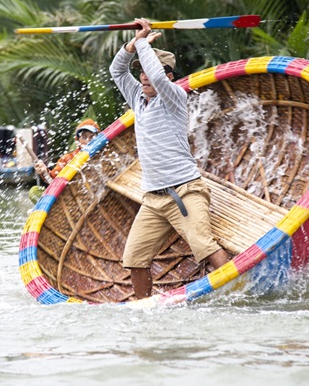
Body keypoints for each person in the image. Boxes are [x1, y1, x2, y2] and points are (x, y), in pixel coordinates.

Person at [109, 18, 230, 299]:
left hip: (186, 191)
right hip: (153, 198)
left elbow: (158, 77)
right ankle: (144, 307)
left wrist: (143, 43)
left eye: (152, 73)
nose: (145, 78)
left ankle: (237, 294)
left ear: (170, 76)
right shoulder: (138, 99)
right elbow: (117, 70)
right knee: (135, 257)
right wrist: (132, 44)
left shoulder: (174, 96)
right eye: (142, 74)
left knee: (204, 245)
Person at [29, 119, 100, 203]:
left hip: (97, 195)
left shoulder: (106, 154)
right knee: (34, 191)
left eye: (92, 137)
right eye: (84, 137)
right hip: (72, 199)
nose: (88, 141)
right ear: (77, 141)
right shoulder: (68, 158)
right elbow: (53, 179)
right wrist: (44, 171)